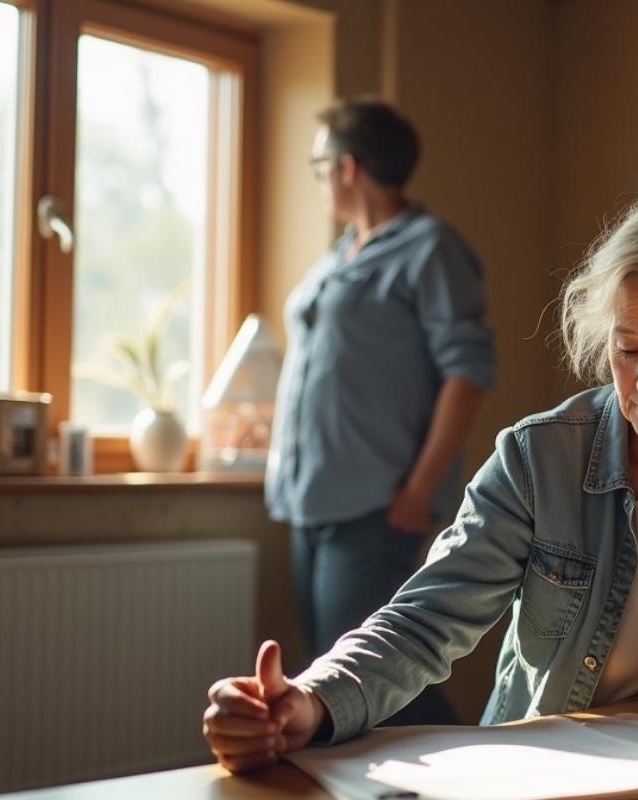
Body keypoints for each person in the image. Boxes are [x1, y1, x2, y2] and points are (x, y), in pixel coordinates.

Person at [204, 189, 638, 772]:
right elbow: (426, 619)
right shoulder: (537, 458)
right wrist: (310, 699)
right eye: (629, 349)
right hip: (553, 769)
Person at [266, 98, 495, 726]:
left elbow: (468, 374)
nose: (318, 180)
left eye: (318, 165)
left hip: (375, 504)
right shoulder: (340, 253)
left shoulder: (430, 249)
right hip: (310, 501)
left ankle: (473, 767)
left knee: (372, 677)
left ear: (347, 167)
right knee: (327, 670)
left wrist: (419, 491)